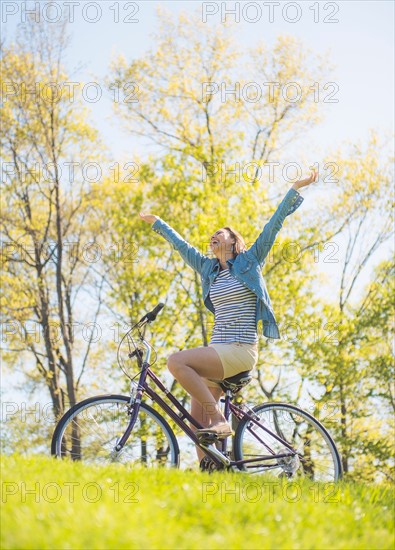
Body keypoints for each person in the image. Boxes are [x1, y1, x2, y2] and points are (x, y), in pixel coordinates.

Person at [139, 170, 317, 462]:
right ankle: (211, 476)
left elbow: (273, 225)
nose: (214, 236)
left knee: (176, 361)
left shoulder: (249, 261)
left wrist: (295, 188)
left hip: (240, 350)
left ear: (234, 242)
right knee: (197, 426)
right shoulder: (209, 269)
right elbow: (181, 246)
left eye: (220, 233)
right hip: (218, 351)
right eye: (213, 235)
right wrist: (158, 223)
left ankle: (221, 422)